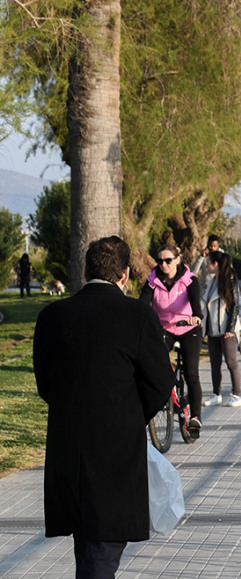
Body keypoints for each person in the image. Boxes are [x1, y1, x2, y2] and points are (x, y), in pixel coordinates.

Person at [33, 236, 175, 577]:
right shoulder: (138, 314)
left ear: (84, 270)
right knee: (102, 552)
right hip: (116, 455)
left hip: (68, 450)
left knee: (89, 546)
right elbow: (160, 383)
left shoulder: (52, 315)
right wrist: (128, 413)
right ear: (125, 275)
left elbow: (45, 383)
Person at [140, 243, 204, 436]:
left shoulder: (189, 280)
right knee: (155, 360)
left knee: (192, 374)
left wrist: (197, 316)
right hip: (165, 329)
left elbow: (196, 304)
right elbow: (143, 304)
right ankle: (166, 392)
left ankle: (195, 417)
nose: (164, 265)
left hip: (188, 328)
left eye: (168, 260)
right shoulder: (153, 281)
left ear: (178, 260)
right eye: (160, 261)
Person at [201, 251, 241, 408]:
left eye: (208, 263)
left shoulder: (229, 278)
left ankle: (237, 394)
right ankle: (216, 394)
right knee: (215, 363)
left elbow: (235, 305)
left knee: (231, 362)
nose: (206, 265)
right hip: (213, 328)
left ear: (216, 264)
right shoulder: (213, 280)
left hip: (227, 328)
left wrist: (230, 328)